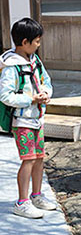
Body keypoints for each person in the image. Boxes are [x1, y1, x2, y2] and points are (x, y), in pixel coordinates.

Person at [0, 17, 56, 219]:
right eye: (37, 41)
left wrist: (46, 93)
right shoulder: (10, 67)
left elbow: (45, 80)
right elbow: (5, 96)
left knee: (39, 158)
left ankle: (36, 195)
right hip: (22, 121)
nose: (39, 44)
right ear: (25, 42)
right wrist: (31, 99)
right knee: (29, 160)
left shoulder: (34, 60)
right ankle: (21, 202)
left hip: (37, 119)